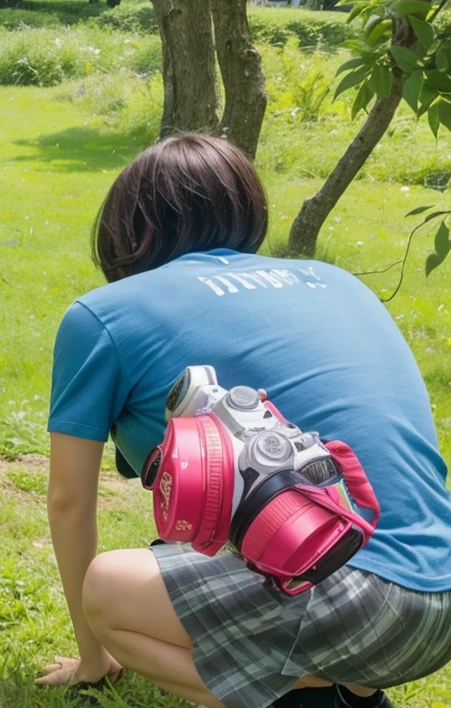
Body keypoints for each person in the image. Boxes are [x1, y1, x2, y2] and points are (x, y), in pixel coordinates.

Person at [37, 134, 451, 708]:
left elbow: (68, 501)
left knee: (107, 590)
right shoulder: (337, 280)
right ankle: (351, 685)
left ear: (129, 227)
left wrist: (93, 656)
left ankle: (314, 693)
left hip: (358, 605)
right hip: (440, 597)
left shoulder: (104, 315)